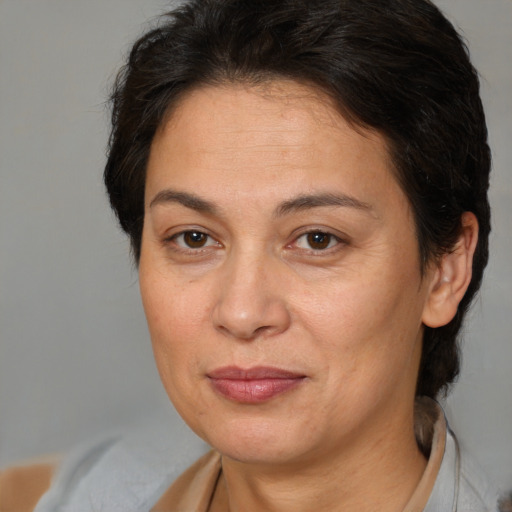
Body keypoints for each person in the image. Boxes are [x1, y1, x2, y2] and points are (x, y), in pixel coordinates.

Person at [0, 0, 501, 510]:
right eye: (194, 238)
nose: (241, 312)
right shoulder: (89, 492)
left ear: (445, 270)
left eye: (317, 239)